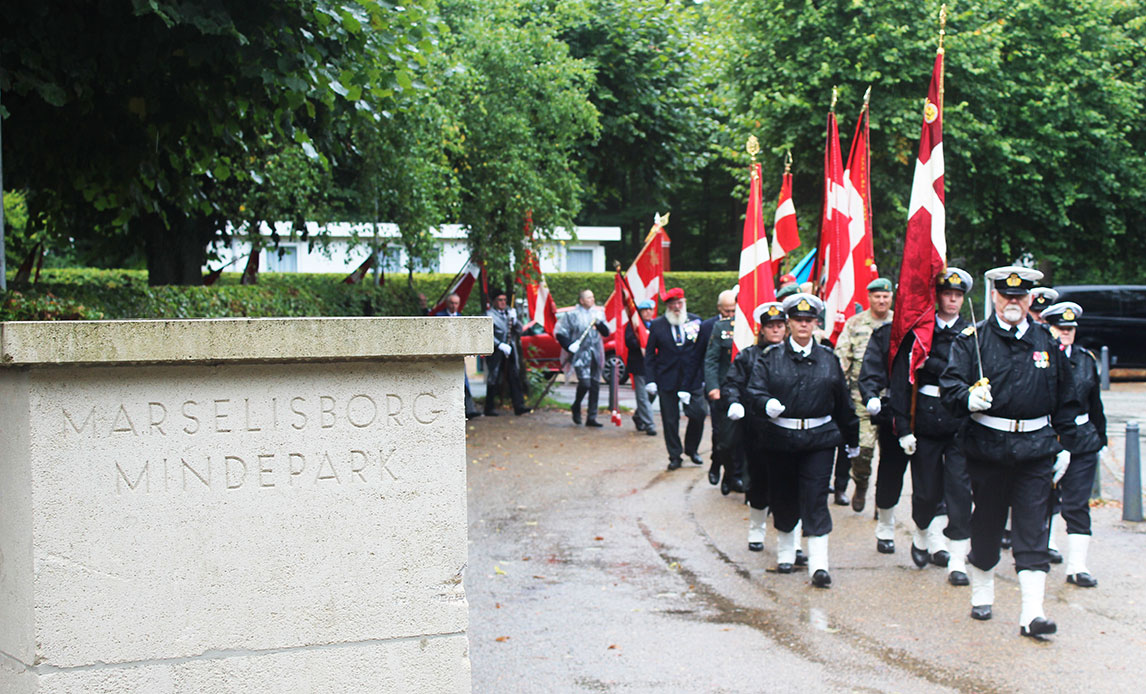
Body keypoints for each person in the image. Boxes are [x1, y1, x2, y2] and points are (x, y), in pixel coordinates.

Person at [940, 265, 1080, 639]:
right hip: (988, 450)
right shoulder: (973, 340)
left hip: (1036, 451)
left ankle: (1032, 613)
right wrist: (968, 396)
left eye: (1020, 296)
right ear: (996, 298)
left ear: (1030, 300)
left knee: (1033, 527)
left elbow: (1066, 398)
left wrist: (1065, 446)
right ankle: (982, 590)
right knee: (987, 522)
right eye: (1006, 295)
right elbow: (949, 387)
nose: (1013, 302)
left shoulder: (1046, 342)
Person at [746, 293, 859, 587]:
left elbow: (843, 403)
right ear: (788, 324)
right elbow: (754, 390)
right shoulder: (770, 358)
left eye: (809, 321)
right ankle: (786, 551)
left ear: (815, 323)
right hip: (781, 438)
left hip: (819, 438)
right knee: (783, 496)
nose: (803, 325)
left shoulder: (829, 359)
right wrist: (764, 403)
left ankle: (819, 565)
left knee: (815, 497)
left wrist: (852, 438)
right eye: (798, 320)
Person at [889, 268, 974, 585]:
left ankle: (957, 559)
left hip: (958, 423)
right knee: (926, 493)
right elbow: (903, 381)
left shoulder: (971, 335)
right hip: (924, 417)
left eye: (958, 295)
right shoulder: (921, 332)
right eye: (947, 294)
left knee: (959, 492)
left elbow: (969, 374)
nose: (952, 299)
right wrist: (903, 428)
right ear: (937, 296)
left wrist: (934, 366)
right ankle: (923, 532)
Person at [1042, 301, 1107, 588]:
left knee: (1077, 503)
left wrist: (1100, 439)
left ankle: (1077, 566)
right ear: (1049, 329)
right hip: (1046, 438)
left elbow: (1095, 404)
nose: (1066, 334)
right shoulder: (1040, 359)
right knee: (1041, 500)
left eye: (1070, 329)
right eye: (1060, 328)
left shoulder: (1085, 359)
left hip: (1082, 440)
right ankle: (1039, 551)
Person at [724, 302, 790, 550]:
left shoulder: (794, 355)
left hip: (789, 430)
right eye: (770, 326)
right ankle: (756, 530)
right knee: (759, 482)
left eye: (779, 325)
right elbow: (733, 383)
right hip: (757, 431)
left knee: (786, 484)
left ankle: (788, 538)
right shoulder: (748, 356)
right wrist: (734, 403)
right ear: (761, 329)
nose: (775, 330)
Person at [834, 277, 895, 512]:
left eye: (885, 296)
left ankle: (884, 501)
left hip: (892, 398)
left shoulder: (899, 323)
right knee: (863, 451)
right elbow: (842, 360)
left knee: (890, 454)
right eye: (877, 296)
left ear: (891, 298)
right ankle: (861, 483)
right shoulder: (855, 323)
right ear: (869, 298)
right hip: (860, 399)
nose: (881, 300)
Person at [857, 321, 910, 555]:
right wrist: (870, 395)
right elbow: (870, 369)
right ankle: (886, 525)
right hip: (896, 409)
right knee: (891, 470)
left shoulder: (941, 330)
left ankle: (930, 534)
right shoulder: (887, 333)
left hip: (933, 412)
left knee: (932, 476)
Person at [645, 287, 708, 470]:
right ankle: (674, 455)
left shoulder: (696, 321)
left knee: (698, 414)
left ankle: (692, 449)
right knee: (670, 420)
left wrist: (704, 376)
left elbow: (704, 351)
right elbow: (649, 355)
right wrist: (650, 379)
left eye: (679, 303)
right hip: (668, 379)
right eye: (672, 304)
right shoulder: (658, 325)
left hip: (693, 378)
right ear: (667, 307)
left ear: (685, 303)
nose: (677, 307)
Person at [704, 290, 743, 492]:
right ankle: (719, 466)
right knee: (722, 436)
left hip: (743, 390)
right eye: (727, 310)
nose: (730, 314)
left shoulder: (748, 327)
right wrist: (713, 387)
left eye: (733, 310)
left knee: (740, 438)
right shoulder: (720, 328)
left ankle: (734, 476)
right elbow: (711, 360)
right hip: (723, 390)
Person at [555, 289, 611, 427]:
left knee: (595, 384)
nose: (592, 299)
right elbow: (560, 333)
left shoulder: (597, 314)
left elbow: (606, 332)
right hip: (580, 354)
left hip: (595, 353)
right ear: (581, 300)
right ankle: (576, 405)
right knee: (585, 383)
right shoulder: (572, 315)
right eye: (588, 297)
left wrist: (599, 323)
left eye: (593, 297)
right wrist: (569, 345)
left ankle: (592, 416)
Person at [484, 289, 528, 416]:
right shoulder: (489, 314)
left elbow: (520, 330)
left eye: (504, 300)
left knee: (514, 376)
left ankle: (519, 406)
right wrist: (499, 344)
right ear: (494, 301)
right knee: (494, 378)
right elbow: (487, 334)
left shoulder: (510, 313)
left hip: (510, 348)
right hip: (497, 350)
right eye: (500, 300)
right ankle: (489, 407)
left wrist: (515, 321)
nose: (503, 302)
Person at [436, 293, 480, 419]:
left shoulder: (461, 317)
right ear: (447, 303)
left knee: (464, 381)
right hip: (444, 356)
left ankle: (469, 409)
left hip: (458, 356)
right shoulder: (439, 317)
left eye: (456, 303)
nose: (454, 306)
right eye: (452, 303)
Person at [627, 300, 658, 437]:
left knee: (652, 394)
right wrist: (642, 343)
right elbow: (629, 341)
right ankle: (649, 424)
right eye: (645, 310)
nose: (648, 313)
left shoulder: (656, 325)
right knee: (642, 396)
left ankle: (639, 415)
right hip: (639, 365)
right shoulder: (634, 325)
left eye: (650, 310)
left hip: (653, 366)